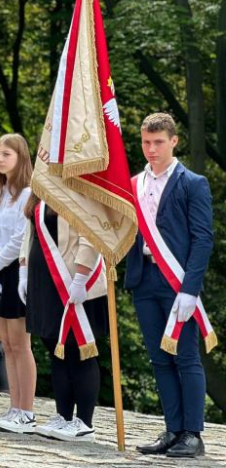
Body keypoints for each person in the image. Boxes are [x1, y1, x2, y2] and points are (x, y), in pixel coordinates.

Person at [128, 113, 214, 458]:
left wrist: (190, 290)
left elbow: (202, 239)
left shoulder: (193, 183)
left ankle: (193, 433)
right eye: (146, 142)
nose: (151, 149)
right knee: (159, 359)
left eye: (158, 142)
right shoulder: (134, 183)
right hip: (144, 278)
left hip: (178, 281)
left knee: (186, 358)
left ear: (174, 141)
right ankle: (173, 428)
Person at [20, 193, 108, 442]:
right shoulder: (41, 192)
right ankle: (64, 416)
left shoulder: (80, 187)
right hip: (45, 284)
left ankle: (84, 422)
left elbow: (89, 234)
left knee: (78, 350)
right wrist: (23, 268)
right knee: (56, 349)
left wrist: (81, 275)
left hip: (74, 282)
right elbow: (30, 232)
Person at [0, 133, 35, 433]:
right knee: (6, 344)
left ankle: (26, 409)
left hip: (15, 269)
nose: (0, 159)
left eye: (7, 154)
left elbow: (19, 239)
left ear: (20, 157)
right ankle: (13, 407)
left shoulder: (27, 193)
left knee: (20, 343)